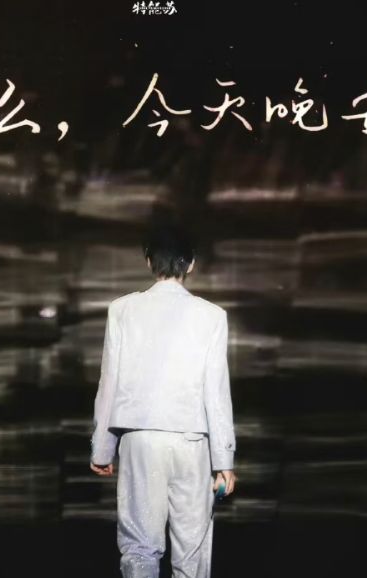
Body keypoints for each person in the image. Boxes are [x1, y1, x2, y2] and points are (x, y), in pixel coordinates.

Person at [90, 226, 237, 578]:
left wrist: (102, 448)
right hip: (192, 442)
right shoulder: (212, 316)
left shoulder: (122, 310)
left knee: (140, 545)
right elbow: (216, 391)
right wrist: (224, 459)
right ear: (191, 264)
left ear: (148, 261)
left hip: (140, 440)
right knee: (192, 548)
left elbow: (109, 383)